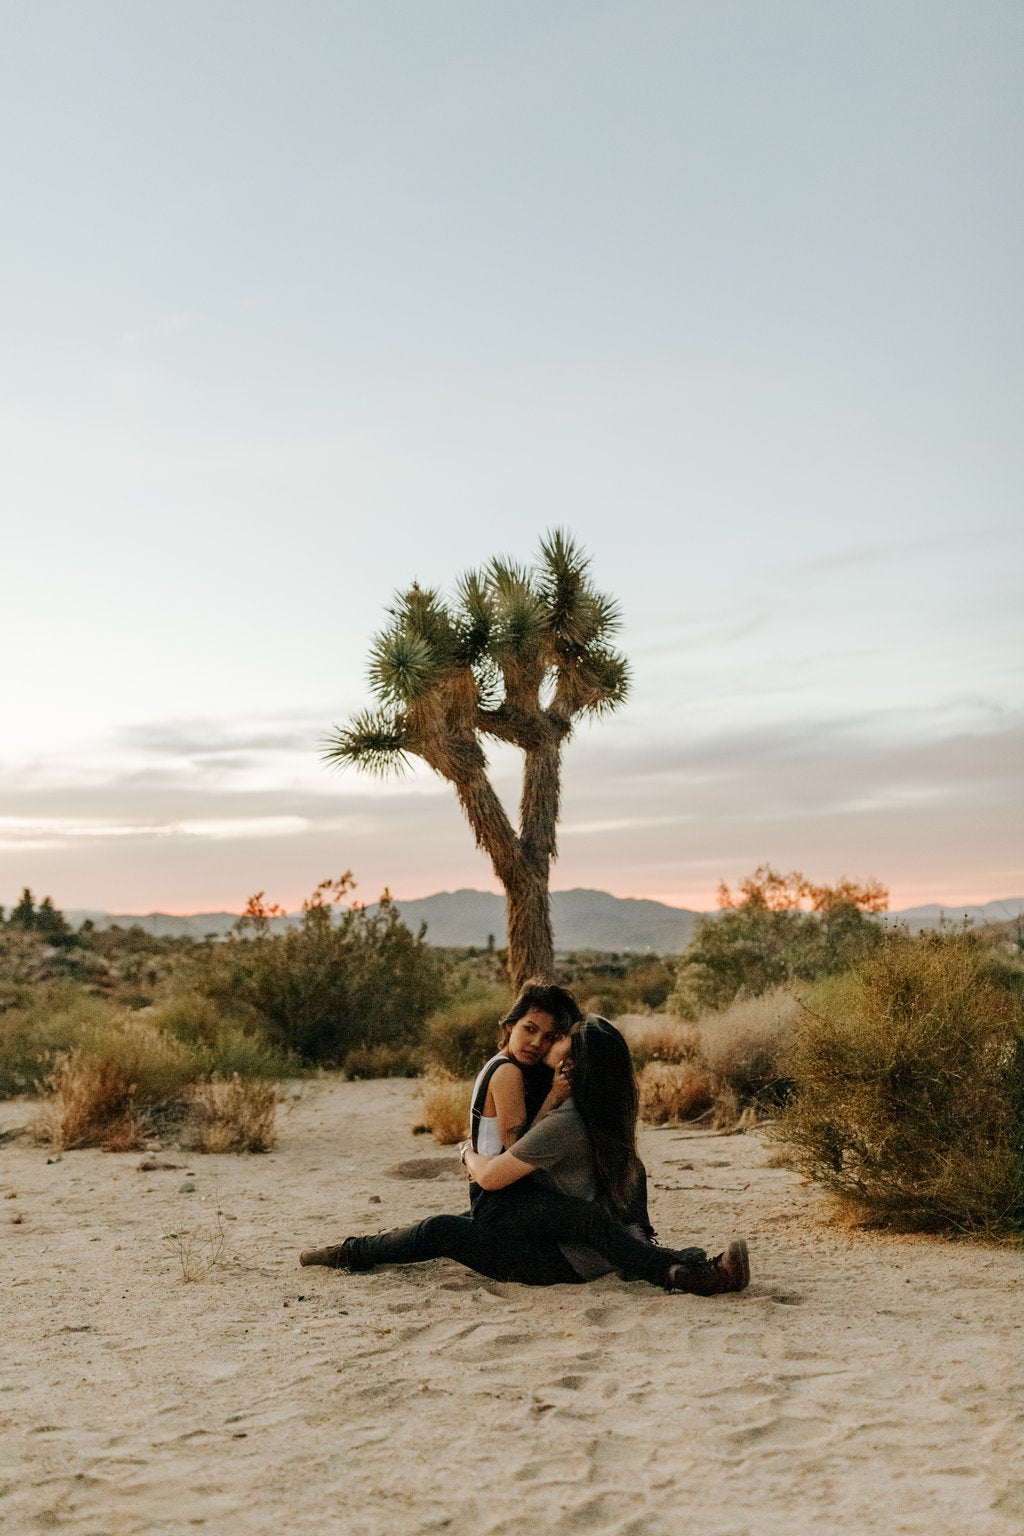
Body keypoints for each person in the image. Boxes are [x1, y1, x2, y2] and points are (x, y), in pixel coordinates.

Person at [300, 1017, 749, 1296]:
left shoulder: (566, 1124)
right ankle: (666, 1262)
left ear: (570, 1063)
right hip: (597, 1245)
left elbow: (492, 1179)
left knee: (439, 1229)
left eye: (561, 1038)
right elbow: (633, 1175)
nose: (548, 1043)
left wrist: (467, 1155)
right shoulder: (609, 1114)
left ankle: (349, 1253)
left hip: (556, 1262)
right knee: (465, 1224)